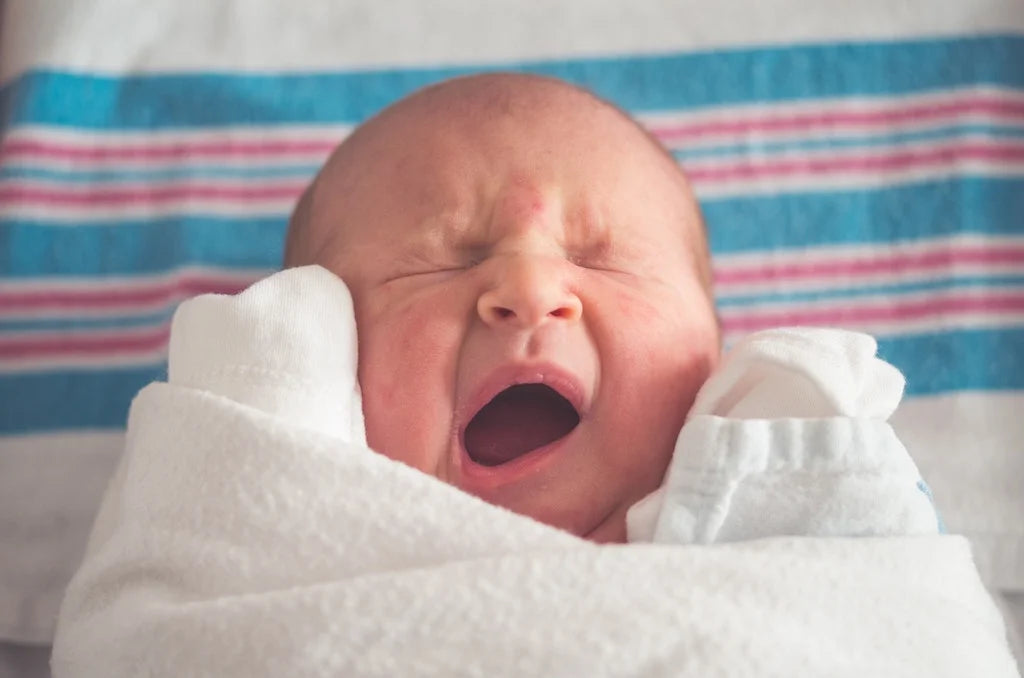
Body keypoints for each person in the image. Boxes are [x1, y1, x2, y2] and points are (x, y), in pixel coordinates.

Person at [282, 71, 939, 544]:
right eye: (440, 261)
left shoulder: (810, 513)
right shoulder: (266, 542)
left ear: (713, 358)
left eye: (600, 258)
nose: (530, 291)